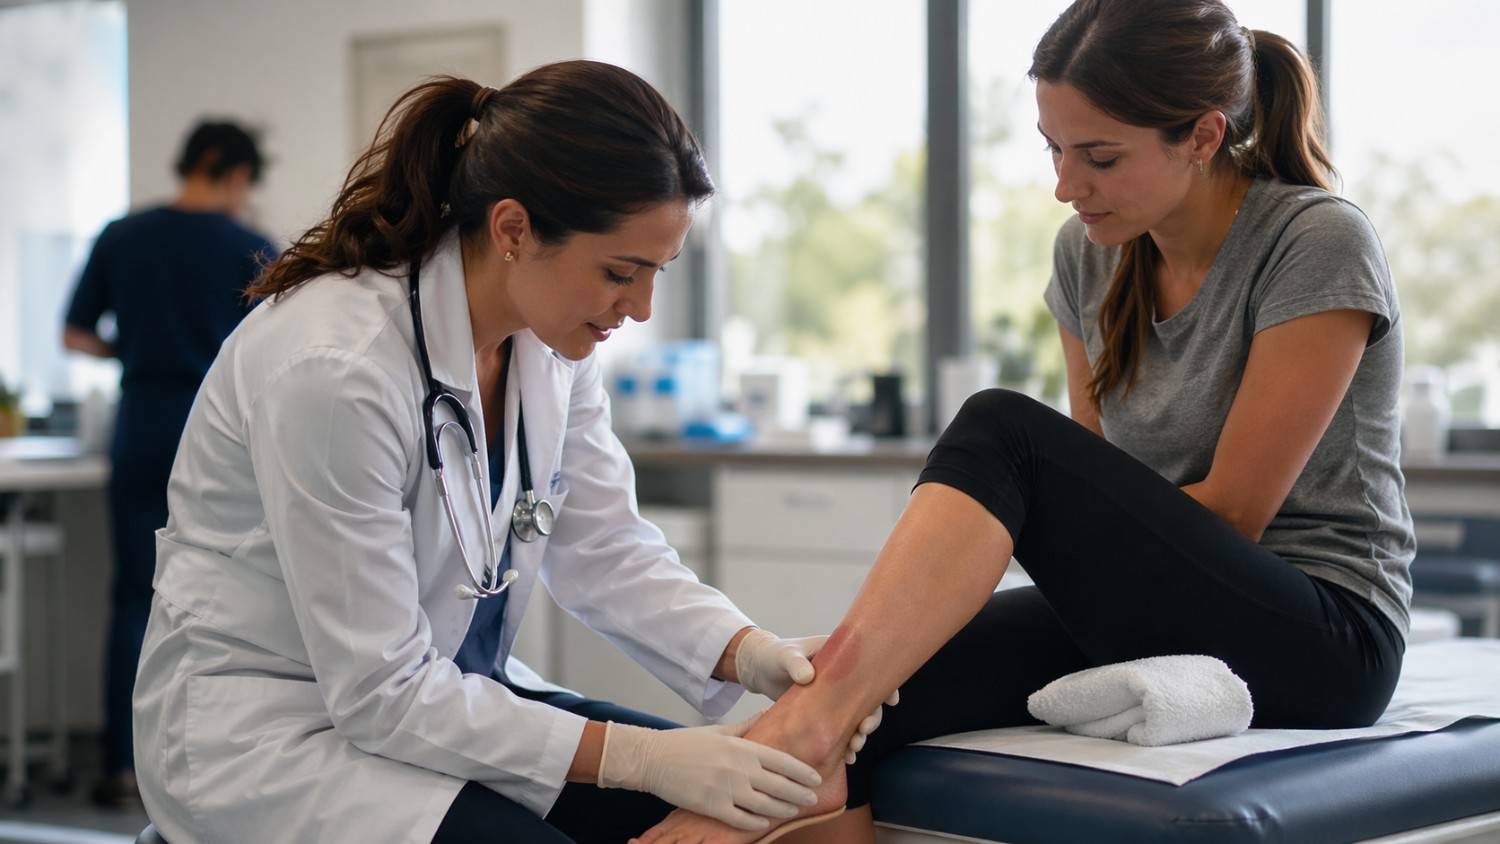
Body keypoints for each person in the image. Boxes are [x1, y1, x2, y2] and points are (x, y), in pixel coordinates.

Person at [631, 1, 1414, 842]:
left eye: (1100, 157)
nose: (1066, 186)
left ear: (1202, 135)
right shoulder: (1089, 253)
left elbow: (1232, 512)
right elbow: (1106, 492)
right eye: (1054, 149)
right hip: (1156, 611)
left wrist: (1026, 530)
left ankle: (795, 734)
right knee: (879, 694)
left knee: (1001, 432)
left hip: (1325, 636)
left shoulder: (1315, 240)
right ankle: (804, 745)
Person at [131, 61, 887, 844]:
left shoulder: (551, 346)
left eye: (656, 273)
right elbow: (379, 691)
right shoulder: (337, 369)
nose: (640, 308)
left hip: (446, 701)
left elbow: (604, 549)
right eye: (620, 273)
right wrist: (643, 758)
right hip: (275, 738)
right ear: (514, 230)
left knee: (770, 804)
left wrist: (750, 653)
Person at [62, 119, 276, 808]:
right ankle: (206, 773)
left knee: (133, 596)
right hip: (222, 437)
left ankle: (122, 766)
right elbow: (278, 346)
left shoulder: (122, 235)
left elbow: (76, 334)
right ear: (234, 172)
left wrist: (132, 351)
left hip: (143, 422)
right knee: (223, 600)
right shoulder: (248, 246)